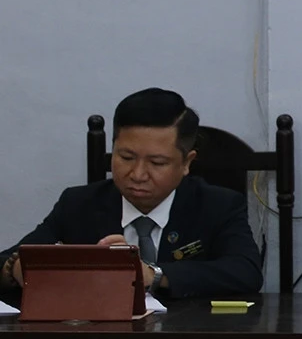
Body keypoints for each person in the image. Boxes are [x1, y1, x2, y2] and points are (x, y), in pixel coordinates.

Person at [0, 88, 263, 300]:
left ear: (186, 163)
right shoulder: (78, 204)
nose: (137, 174)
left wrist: (153, 274)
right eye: (126, 157)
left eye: (157, 163)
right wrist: (16, 269)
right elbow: (10, 260)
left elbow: (245, 272)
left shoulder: (218, 205)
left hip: (186, 337)